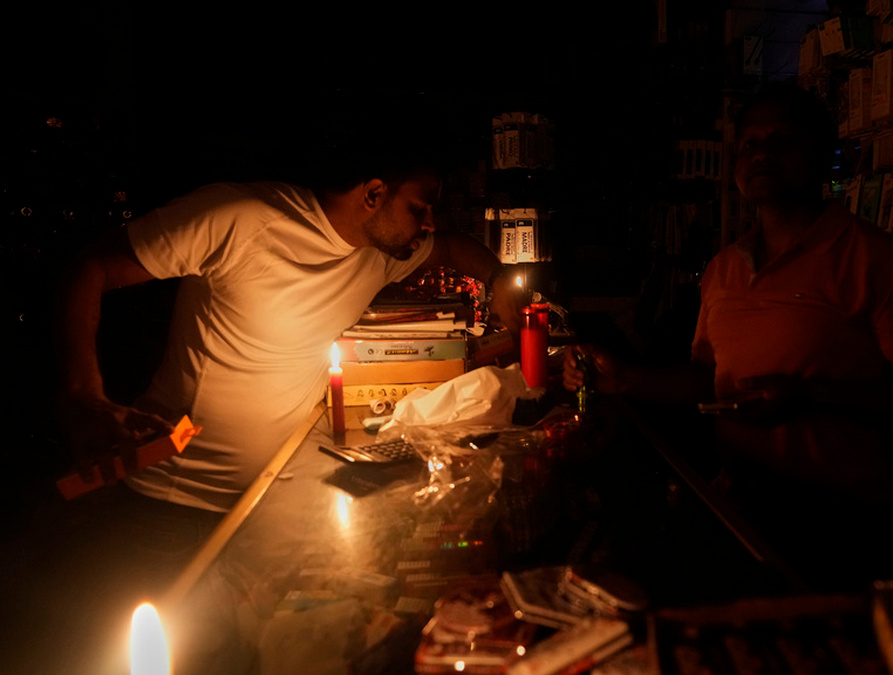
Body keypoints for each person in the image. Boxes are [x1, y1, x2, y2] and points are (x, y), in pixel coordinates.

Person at [3, 128, 522, 675]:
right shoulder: (239, 216)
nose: (429, 222)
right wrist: (83, 394)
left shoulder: (379, 251)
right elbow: (91, 268)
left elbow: (453, 246)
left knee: (241, 657)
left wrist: (501, 281)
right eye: (421, 206)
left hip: (266, 507)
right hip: (172, 504)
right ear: (372, 193)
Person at [564, 82, 893, 669]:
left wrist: (810, 396)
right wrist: (625, 380)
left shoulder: (880, 262)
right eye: (749, 145)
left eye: (782, 141)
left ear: (820, 157)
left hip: (839, 520)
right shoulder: (724, 268)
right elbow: (709, 377)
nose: (762, 155)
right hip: (739, 506)